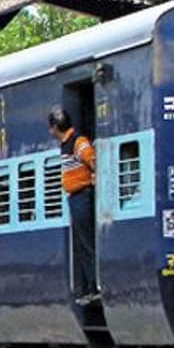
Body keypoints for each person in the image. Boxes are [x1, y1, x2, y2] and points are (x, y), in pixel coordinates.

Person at [48, 108, 100, 306]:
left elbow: (92, 158)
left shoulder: (78, 141)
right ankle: (88, 287)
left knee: (86, 243)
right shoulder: (66, 143)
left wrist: (95, 178)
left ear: (54, 128)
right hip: (76, 197)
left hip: (83, 196)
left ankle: (94, 286)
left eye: (50, 127)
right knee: (81, 244)